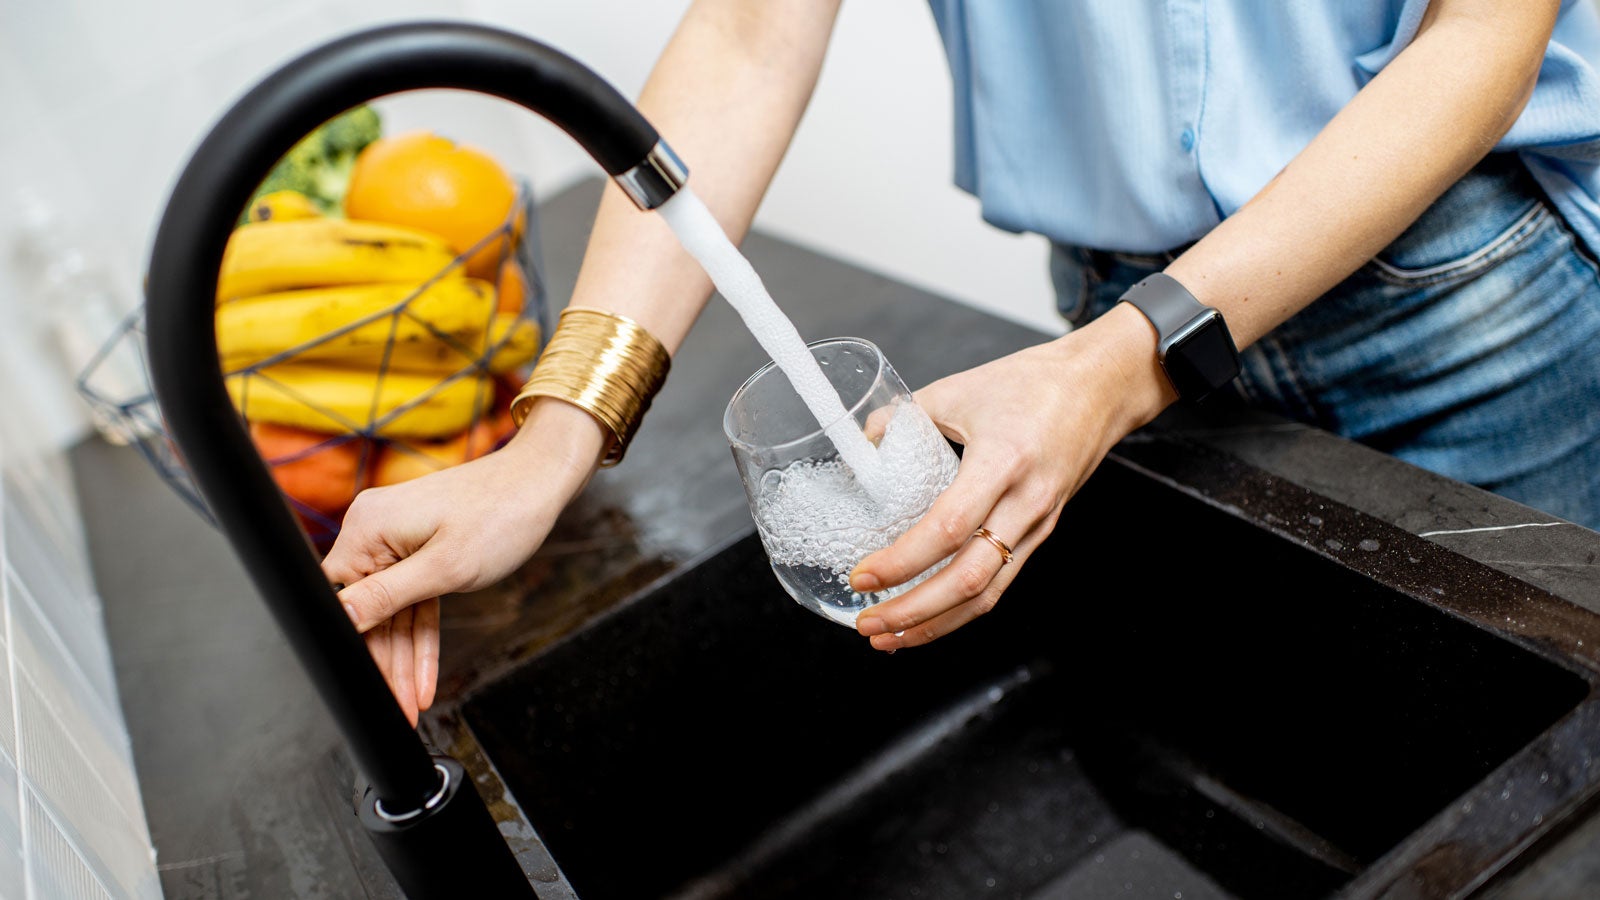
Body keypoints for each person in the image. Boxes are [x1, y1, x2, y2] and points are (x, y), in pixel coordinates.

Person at [321, 0, 1600, 723]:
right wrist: (551, 441)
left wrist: (1121, 366)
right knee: (1281, 741)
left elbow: (1483, 34)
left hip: (1457, 310)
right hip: (1104, 327)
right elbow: (755, 31)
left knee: (1539, 780)